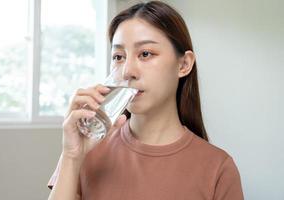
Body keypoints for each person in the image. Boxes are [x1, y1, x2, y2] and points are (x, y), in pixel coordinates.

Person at [47, 1, 244, 200]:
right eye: (118, 56)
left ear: (184, 64)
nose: (127, 71)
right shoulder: (86, 151)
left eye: (145, 54)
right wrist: (71, 157)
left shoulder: (218, 169)